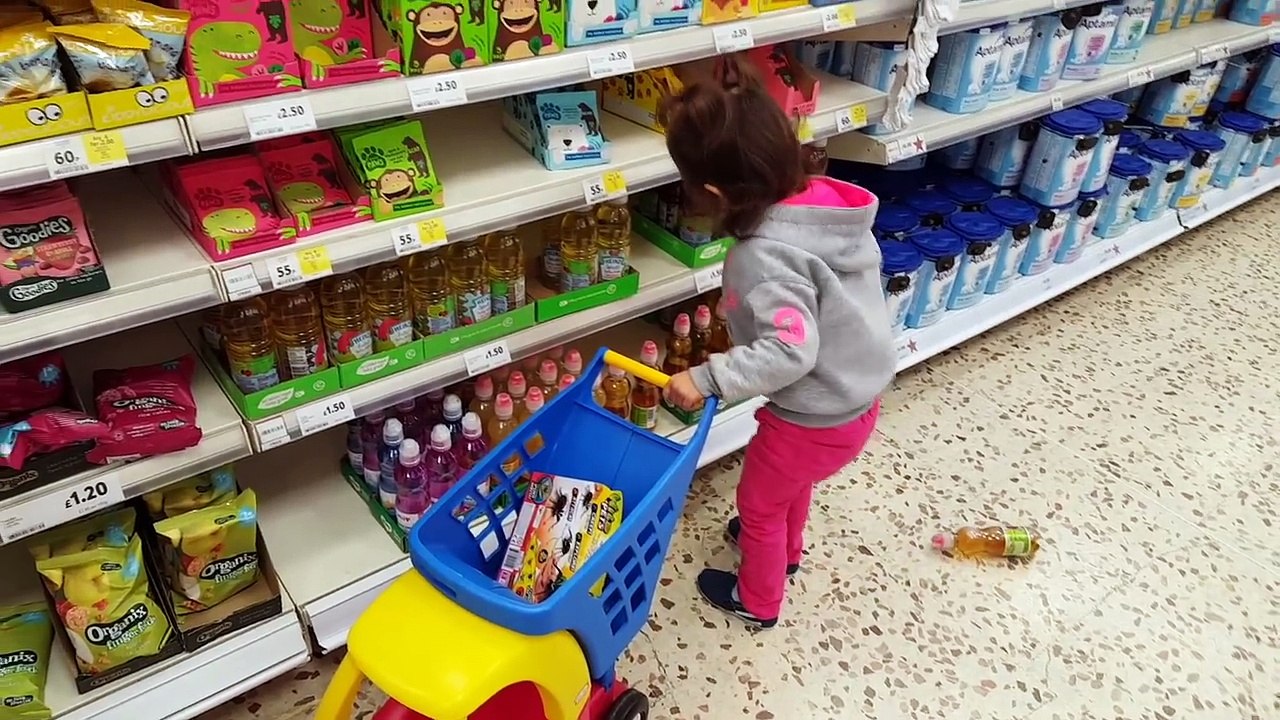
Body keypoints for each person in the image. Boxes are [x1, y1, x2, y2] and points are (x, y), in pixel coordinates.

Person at [660, 58, 895, 628]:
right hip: (853, 400)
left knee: (759, 504)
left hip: (812, 415)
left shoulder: (764, 255)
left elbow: (791, 349)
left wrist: (706, 376)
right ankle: (786, 554)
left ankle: (758, 599)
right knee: (791, 484)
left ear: (713, 189)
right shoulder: (820, 208)